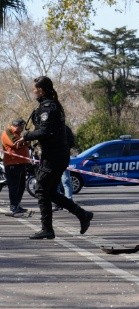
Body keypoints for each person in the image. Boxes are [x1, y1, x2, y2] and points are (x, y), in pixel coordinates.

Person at [18, 76, 93, 239]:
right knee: (50, 191)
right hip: (55, 155)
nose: (33, 91)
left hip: (54, 156)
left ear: (41, 90)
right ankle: (82, 214)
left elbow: (45, 131)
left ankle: (47, 228)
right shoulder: (49, 105)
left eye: (35, 88)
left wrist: (27, 136)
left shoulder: (48, 107)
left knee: (41, 189)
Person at [2, 118, 30, 215]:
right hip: (12, 163)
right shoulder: (8, 132)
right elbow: (15, 144)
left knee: (21, 186)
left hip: (21, 163)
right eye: (22, 126)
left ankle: (17, 204)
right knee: (14, 186)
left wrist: (25, 141)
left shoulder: (18, 134)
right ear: (16, 126)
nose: (23, 128)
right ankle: (14, 206)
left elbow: (24, 143)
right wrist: (25, 141)